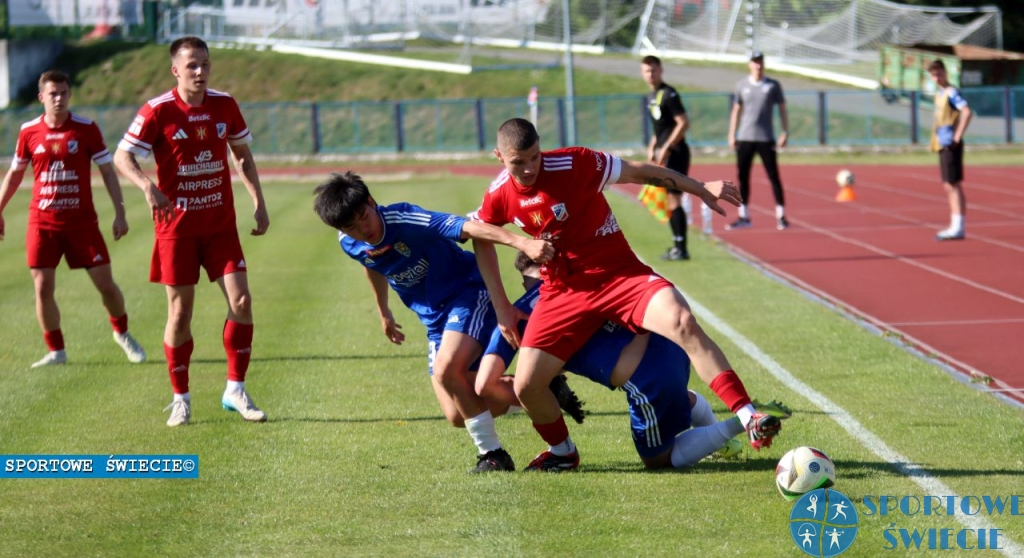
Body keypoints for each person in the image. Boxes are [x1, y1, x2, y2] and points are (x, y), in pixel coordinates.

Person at [471, 117, 781, 472]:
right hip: (563, 293)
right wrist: (501, 306)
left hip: (620, 275)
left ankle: (747, 414)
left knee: (682, 320)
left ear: (541, 145)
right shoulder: (498, 194)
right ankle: (563, 453)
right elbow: (481, 235)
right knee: (527, 386)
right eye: (517, 162)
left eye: (534, 157)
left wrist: (698, 188)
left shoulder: (576, 163)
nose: (528, 168)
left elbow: (638, 172)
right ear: (499, 156)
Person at [312, 170, 572, 473]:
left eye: (363, 217)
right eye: (351, 226)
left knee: (447, 369)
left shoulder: (406, 220)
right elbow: (371, 263)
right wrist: (383, 310)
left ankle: (493, 455)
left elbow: (472, 228)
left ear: (371, 201)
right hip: (435, 319)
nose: (362, 229)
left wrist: (522, 243)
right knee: (457, 414)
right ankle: (541, 390)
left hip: (469, 294)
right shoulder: (349, 241)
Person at [476, 252, 793, 469]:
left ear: (524, 280)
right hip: (672, 347)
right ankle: (732, 430)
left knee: (659, 459)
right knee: (678, 399)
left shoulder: (525, 311)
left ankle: (741, 423)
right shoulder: (587, 275)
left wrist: (527, 397)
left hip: (648, 381)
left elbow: (486, 383)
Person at [114, 36, 269, 427]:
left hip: (220, 227)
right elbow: (122, 155)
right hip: (176, 231)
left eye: (204, 64)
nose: (199, 72)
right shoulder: (157, 111)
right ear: (175, 70)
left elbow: (242, 156)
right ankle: (180, 398)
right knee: (180, 313)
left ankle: (235, 388)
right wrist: (147, 186)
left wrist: (259, 201)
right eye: (191, 66)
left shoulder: (225, 104)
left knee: (243, 302)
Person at [0, 70, 146, 368]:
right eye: (53, 93)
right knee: (42, 288)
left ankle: (122, 332)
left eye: (64, 92)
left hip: (82, 224)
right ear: (41, 97)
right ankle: (56, 351)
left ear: (69, 95)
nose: (59, 98)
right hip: (42, 223)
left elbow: (107, 171)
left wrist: (120, 212)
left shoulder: (86, 129)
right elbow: (15, 175)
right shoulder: (29, 131)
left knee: (106, 285)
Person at [641, 55, 698, 260]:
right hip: (663, 154)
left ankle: (681, 248)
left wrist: (667, 147)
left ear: (661, 70)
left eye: (653, 70)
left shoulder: (669, 94)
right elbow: (661, 127)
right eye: (647, 71)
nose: (650, 74)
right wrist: (653, 146)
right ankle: (677, 245)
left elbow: (683, 123)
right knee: (668, 199)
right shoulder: (651, 97)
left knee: (674, 198)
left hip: (677, 153)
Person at [726, 51, 790, 231]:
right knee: (743, 177)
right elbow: (736, 111)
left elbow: (783, 109)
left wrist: (785, 132)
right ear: (749, 64)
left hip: (765, 138)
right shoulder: (742, 85)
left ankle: (781, 215)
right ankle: (744, 216)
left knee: (773, 176)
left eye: (760, 61)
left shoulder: (773, 85)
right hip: (745, 138)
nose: (758, 65)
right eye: (755, 62)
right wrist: (732, 134)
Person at [927, 59, 973, 241]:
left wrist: (957, 135)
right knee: (948, 185)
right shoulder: (939, 94)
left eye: (939, 74)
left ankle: (958, 226)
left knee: (953, 184)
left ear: (945, 73)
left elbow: (967, 111)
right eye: (933, 75)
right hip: (942, 144)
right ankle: (955, 224)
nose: (937, 78)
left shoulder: (951, 93)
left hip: (951, 144)